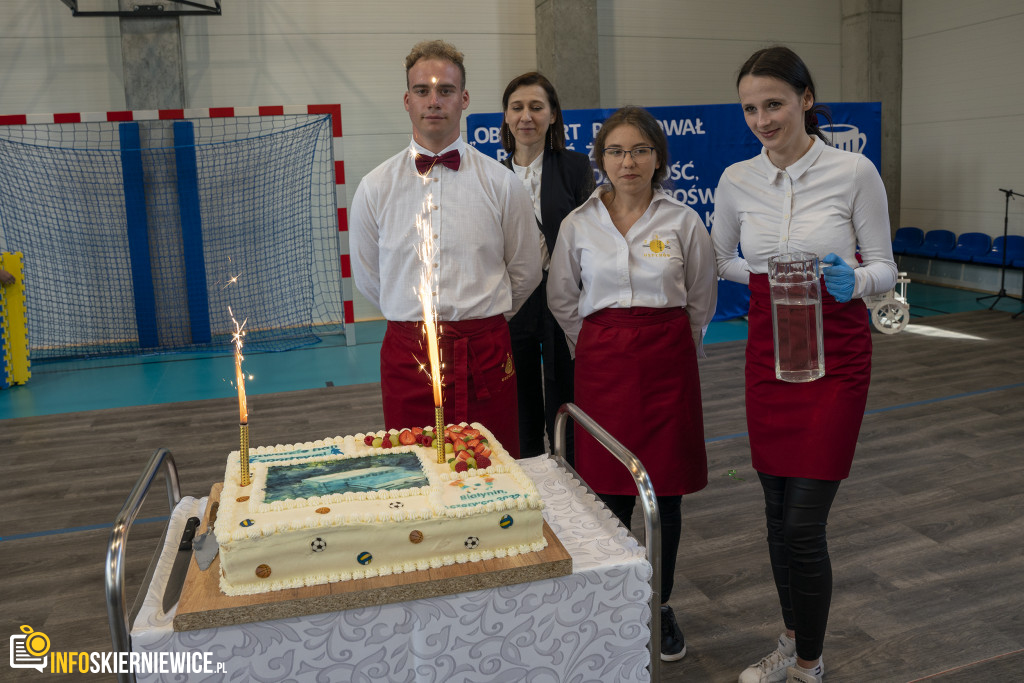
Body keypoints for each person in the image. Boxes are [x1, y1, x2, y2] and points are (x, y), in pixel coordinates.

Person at [711, 46, 898, 683]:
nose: (762, 119)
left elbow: (885, 267)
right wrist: (769, 275)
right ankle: (791, 641)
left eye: (774, 104)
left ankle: (810, 665)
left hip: (837, 357)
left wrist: (857, 282)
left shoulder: (854, 173)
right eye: (750, 108)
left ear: (805, 100)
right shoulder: (736, 179)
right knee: (773, 514)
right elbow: (718, 260)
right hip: (769, 354)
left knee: (802, 524)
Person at [547, 105, 717, 662]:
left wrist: (671, 349)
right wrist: (594, 346)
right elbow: (563, 299)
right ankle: (612, 599)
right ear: (600, 160)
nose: (628, 161)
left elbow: (701, 299)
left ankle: (658, 604)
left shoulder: (683, 221)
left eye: (640, 150)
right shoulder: (578, 223)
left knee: (664, 493)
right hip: (602, 366)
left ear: (658, 158)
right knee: (605, 489)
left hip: (669, 366)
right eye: (617, 151)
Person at [349, 40, 542, 457]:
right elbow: (370, 278)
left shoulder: (502, 183)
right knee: (416, 473)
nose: (433, 101)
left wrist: (480, 316)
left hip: (485, 352)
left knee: (493, 471)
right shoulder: (374, 187)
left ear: (464, 99)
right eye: (422, 91)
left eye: (446, 91)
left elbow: (526, 271)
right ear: (407, 100)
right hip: (408, 356)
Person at [499, 72, 595, 461]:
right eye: (517, 107)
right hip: (514, 300)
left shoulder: (574, 166)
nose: (526, 116)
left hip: (563, 297)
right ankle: (530, 483)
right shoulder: (492, 174)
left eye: (536, 107)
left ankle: (572, 479)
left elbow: (590, 235)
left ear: (553, 115)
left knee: (563, 395)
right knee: (520, 398)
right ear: (505, 117)